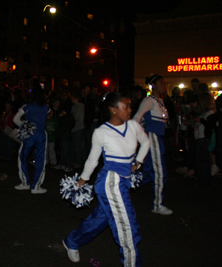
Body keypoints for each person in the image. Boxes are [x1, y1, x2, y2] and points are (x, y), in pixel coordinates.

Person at [62, 92, 150, 267]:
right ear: (113, 110)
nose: (130, 109)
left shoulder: (133, 125)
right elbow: (93, 160)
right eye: (126, 106)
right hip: (111, 182)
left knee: (101, 219)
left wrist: (137, 163)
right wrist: (82, 181)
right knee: (127, 228)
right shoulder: (101, 132)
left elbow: (145, 142)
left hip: (124, 180)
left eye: (130, 105)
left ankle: (72, 241)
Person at [133, 74, 173, 215]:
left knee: (149, 173)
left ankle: (121, 187)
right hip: (152, 139)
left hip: (158, 139)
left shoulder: (159, 101)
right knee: (160, 172)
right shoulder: (148, 100)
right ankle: (157, 204)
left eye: (164, 83)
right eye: (161, 83)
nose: (164, 85)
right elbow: (136, 118)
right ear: (153, 85)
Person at [13, 80, 50, 194]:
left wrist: (25, 126)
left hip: (29, 134)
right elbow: (49, 114)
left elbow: (15, 119)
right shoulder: (46, 107)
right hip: (41, 134)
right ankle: (36, 186)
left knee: (22, 156)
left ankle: (25, 183)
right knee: (40, 159)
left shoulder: (27, 106)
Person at [193, 92, 218, 185]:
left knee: (202, 160)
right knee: (201, 159)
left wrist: (201, 120)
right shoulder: (205, 112)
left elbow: (210, 125)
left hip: (204, 138)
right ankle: (203, 178)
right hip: (201, 137)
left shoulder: (210, 113)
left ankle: (204, 179)